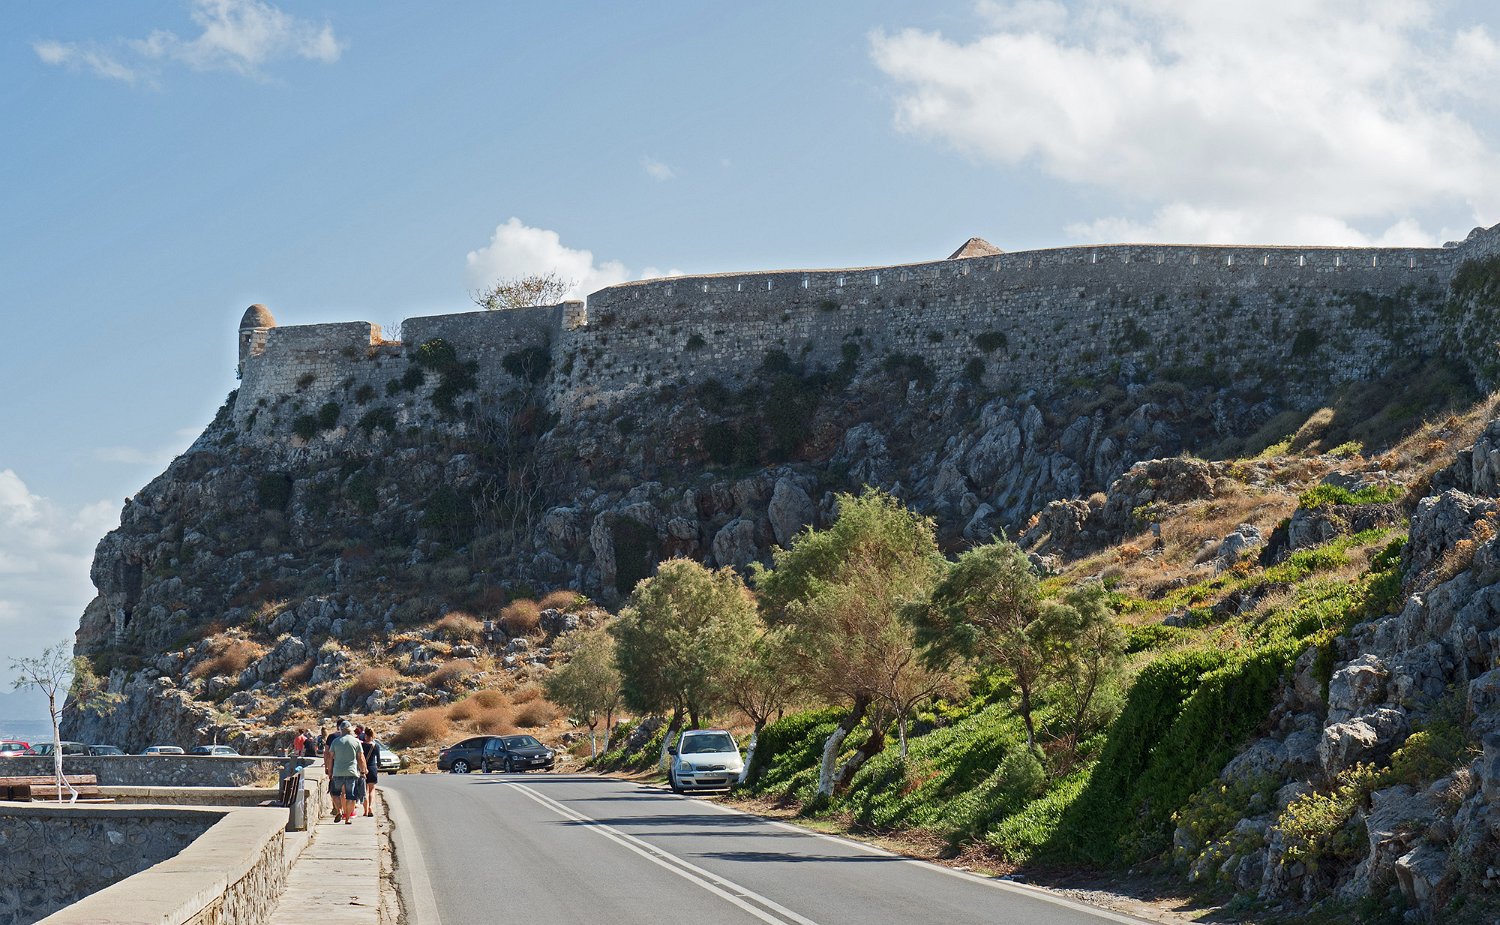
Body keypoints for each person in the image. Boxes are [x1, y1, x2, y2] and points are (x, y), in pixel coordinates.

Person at [324, 720, 367, 825]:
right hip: (351, 772)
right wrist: (363, 770)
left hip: (338, 772)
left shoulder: (335, 741)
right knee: (351, 797)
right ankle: (347, 818)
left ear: (340, 730)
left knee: (335, 794)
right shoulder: (356, 741)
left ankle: (339, 811)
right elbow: (361, 758)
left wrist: (330, 771)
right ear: (350, 729)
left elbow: (330, 757)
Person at [360, 728, 379, 818]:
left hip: (364, 769)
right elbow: (379, 761)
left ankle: (365, 810)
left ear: (365, 736)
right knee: (372, 790)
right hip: (373, 768)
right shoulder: (376, 746)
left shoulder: (361, 745)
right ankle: (371, 807)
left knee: (365, 791)